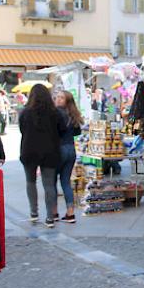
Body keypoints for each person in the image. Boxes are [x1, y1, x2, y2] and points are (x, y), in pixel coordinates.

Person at [19, 84, 66, 228]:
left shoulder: (25, 112)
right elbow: (62, 131)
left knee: (30, 182)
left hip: (29, 150)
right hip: (50, 151)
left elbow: (22, 130)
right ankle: (50, 217)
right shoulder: (55, 113)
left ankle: (33, 213)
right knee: (49, 184)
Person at [54, 90, 83, 223]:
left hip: (58, 149)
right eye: (57, 97)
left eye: (61, 98)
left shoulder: (55, 113)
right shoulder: (73, 115)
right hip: (70, 149)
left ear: (67, 101)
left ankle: (54, 212)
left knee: (52, 181)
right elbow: (77, 132)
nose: (58, 99)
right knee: (65, 182)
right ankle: (70, 212)